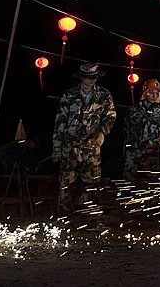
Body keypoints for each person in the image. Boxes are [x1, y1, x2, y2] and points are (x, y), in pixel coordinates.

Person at [52, 62, 116, 215]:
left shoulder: (104, 95)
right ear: (81, 77)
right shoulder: (70, 94)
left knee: (91, 184)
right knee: (67, 185)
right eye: (87, 77)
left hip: (92, 147)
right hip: (70, 147)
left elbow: (111, 116)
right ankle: (64, 218)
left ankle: (90, 218)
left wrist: (102, 133)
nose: (90, 80)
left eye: (93, 77)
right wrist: (56, 147)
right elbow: (60, 121)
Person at [123, 79, 160, 179]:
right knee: (129, 180)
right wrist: (132, 144)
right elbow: (126, 128)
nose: (154, 96)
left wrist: (158, 141)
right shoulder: (133, 109)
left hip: (151, 153)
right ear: (146, 93)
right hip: (134, 152)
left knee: (150, 181)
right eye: (151, 92)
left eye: (157, 93)